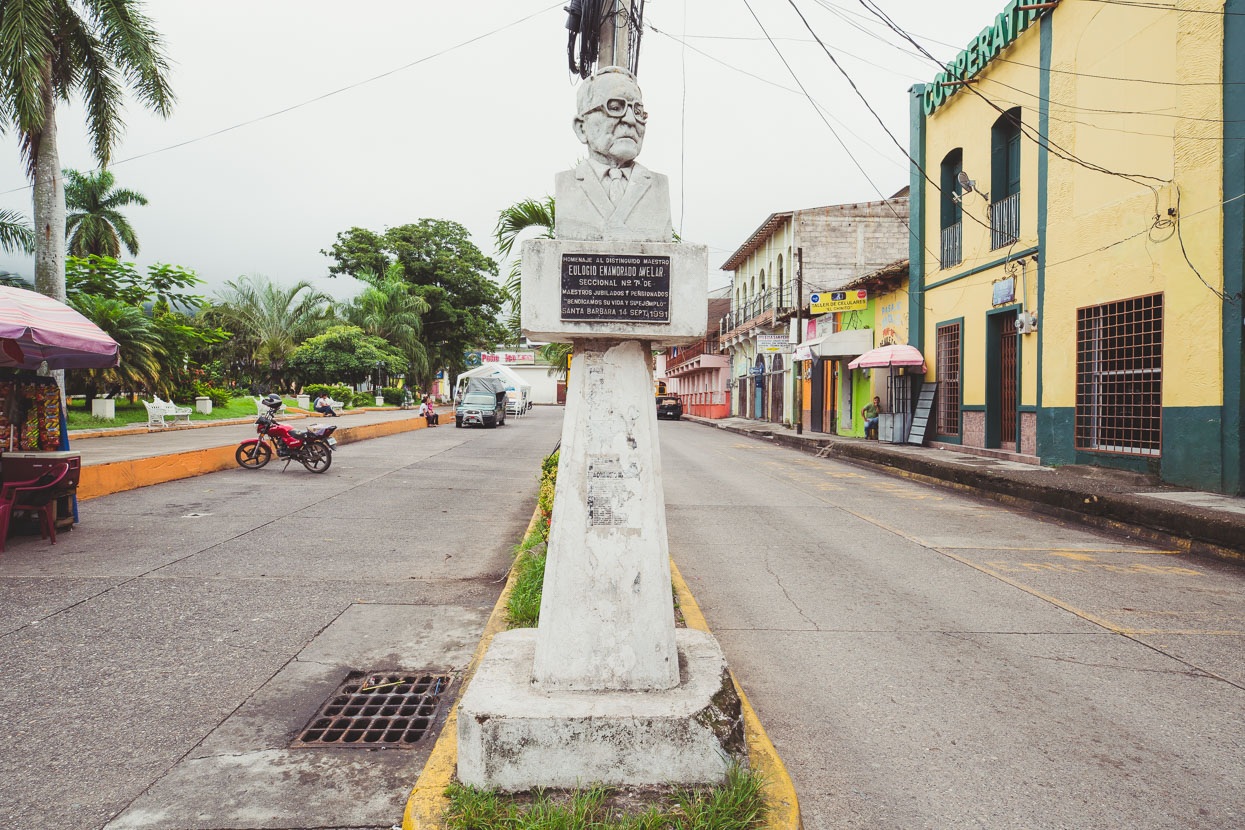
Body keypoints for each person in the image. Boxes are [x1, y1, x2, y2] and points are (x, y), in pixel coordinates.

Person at [554, 66, 674, 243]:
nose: (631, 120)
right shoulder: (567, 185)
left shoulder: (659, 187)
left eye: (638, 111)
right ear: (582, 127)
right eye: (616, 107)